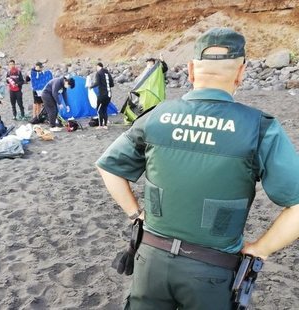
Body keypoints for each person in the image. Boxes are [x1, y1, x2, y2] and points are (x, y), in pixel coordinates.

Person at [96, 27, 299, 309]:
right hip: (213, 271)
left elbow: (109, 167)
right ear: (241, 71)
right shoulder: (260, 128)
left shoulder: (156, 116)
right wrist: (261, 248)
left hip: (151, 260)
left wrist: (136, 214)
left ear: (191, 70)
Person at [89, 62, 114, 129]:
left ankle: (100, 125)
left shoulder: (98, 73)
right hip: (109, 95)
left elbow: (97, 83)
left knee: (99, 109)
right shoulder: (108, 73)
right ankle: (105, 125)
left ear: (98, 66)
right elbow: (112, 84)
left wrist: (90, 86)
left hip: (102, 95)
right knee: (104, 109)